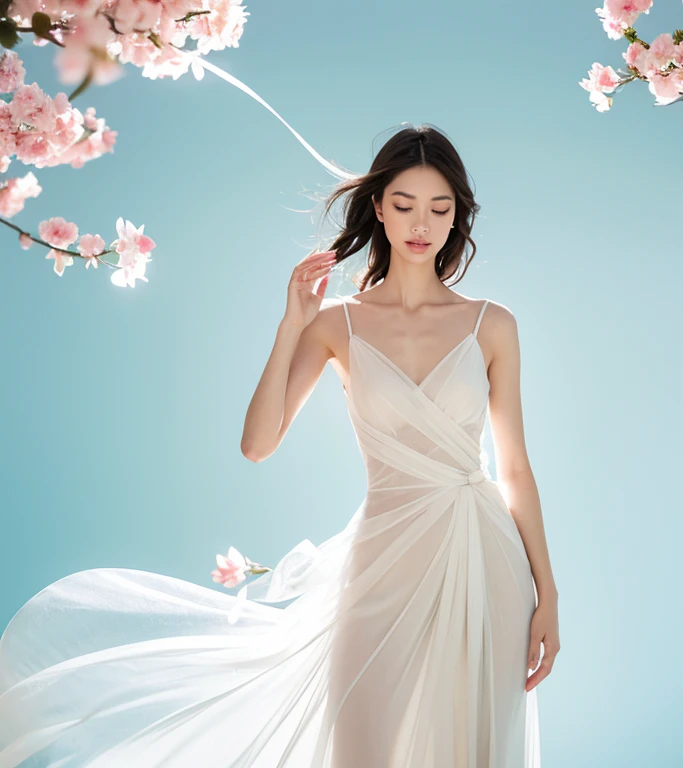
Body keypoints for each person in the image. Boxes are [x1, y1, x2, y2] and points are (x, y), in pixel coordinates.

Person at [0, 125, 559, 767]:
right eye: (404, 204)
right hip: (381, 558)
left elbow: (515, 468)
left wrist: (548, 597)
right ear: (377, 206)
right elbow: (257, 444)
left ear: (458, 214)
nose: (421, 224)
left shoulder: (492, 324)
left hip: (483, 555)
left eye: (440, 208)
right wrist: (292, 322)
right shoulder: (336, 325)